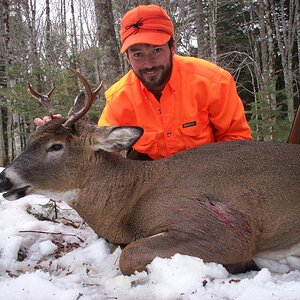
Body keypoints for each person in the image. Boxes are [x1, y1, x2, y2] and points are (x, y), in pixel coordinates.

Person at [35, 4, 252, 160]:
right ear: (127, 57)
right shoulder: (120, 97)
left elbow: (237, 141)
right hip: (150, 175)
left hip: (208, 169)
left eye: (156, 50)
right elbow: (100, 144)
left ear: (173, 48)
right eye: (137, 54)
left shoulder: (212, 81)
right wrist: (63, 129)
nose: (148, 64)